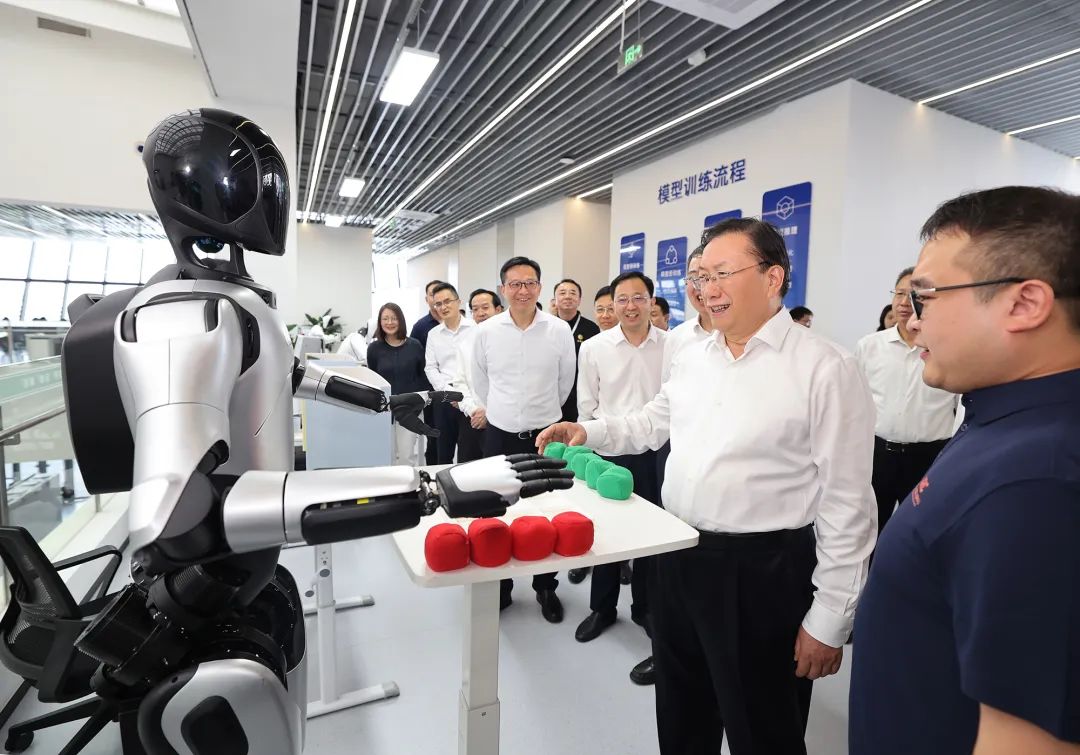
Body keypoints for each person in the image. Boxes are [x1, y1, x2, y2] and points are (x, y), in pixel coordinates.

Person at [538, 217, 877, 755]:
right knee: (682, 716)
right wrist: (590, 431)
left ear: (772, 278)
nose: (706, 289)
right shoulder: (693, 354)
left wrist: (830, 618)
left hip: (763, 574)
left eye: (722, 274)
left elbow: (848, 500)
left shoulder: (826, 367)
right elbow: (654, 420)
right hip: (678, 556)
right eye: (700, 277)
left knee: (762, 729)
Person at [851, 186, 1080, 755]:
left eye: (926, 298)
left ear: (1024, 304)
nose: (912, 322)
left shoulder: (1038, 482)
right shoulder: (1002, 419)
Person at [472, 256, 576, 622]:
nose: (522, 290)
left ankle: (545, 586)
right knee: (496, 510)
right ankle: (500, 586)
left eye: (530, 283)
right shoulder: (486, 331)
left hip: (545, 436)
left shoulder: (558, 330)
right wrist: (505, 411)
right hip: (499, 434)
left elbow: (565, 382)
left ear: (540, 287)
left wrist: (538, 414)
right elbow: (481, 381)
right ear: (503, 289)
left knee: (546, 512)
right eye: (515, 284)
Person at [572, 273, 666, 664]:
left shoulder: (671, 346)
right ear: (612, 304)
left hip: (655, 453)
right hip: (609, 451)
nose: (630, 306)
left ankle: (644, 607)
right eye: (622, 299)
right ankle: (602, 607)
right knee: (606, 533)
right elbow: (586, 405)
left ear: (651, 302)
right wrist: (591, 450)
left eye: (638, 298)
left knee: (650, 534)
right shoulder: (594, 347)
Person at [855, 267, 958, 538]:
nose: (903, 302)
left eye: (913, 295)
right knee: (869, 526)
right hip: (878, 453)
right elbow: (855, 404)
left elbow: (960, 406)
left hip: (929, 456)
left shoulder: (946, 348)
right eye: (899, 293)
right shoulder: (869, 346)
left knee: (921, 529)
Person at [367, 303, 428, 465]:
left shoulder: (414, 346)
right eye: (385, 318)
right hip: (383, 410)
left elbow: (422, 377)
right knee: (386, 455)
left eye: (394, 318)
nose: (390, 322)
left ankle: (407, 481)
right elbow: (373, 378)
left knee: (406, 455)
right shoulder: (374, 348)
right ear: (380, 322)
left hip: (409, 409)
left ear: (401, 320)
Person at [424, 283, 474, 464]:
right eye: (438, 304)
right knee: (443, 451)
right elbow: (430, 367)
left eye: (447, 301)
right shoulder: (433, 334)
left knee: (469, 450)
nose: (443, 307)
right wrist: (447, 391)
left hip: (471, 396)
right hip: (444, 397)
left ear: (458, 302)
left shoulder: (475, 328)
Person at [452, 289, 503, 463]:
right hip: (472, 419)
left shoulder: (512, 341)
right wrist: (473, 410)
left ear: (498, 310)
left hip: (502, 422)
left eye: (485, 307)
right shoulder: (465, 343)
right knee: (467, 470)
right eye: (475, 309)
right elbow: (459, 383)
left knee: (498, 470)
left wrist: (489, 412)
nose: (480, 313)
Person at [553, 278, 601, 422]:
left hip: (581, 392)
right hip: (551, 392)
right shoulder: (546, 326)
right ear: (555, 300)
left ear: (579, 300)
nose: (567, 296)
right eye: (562, 293)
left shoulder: (591, 328)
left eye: (573, 293)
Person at [411, 279, 444, 464]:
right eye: (433, 294)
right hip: (431, 391)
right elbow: (414, 360)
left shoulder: (459, 324)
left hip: (459, 390)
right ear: (427, 299)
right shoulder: (420, 327)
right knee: (434, 436)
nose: (438, 299)